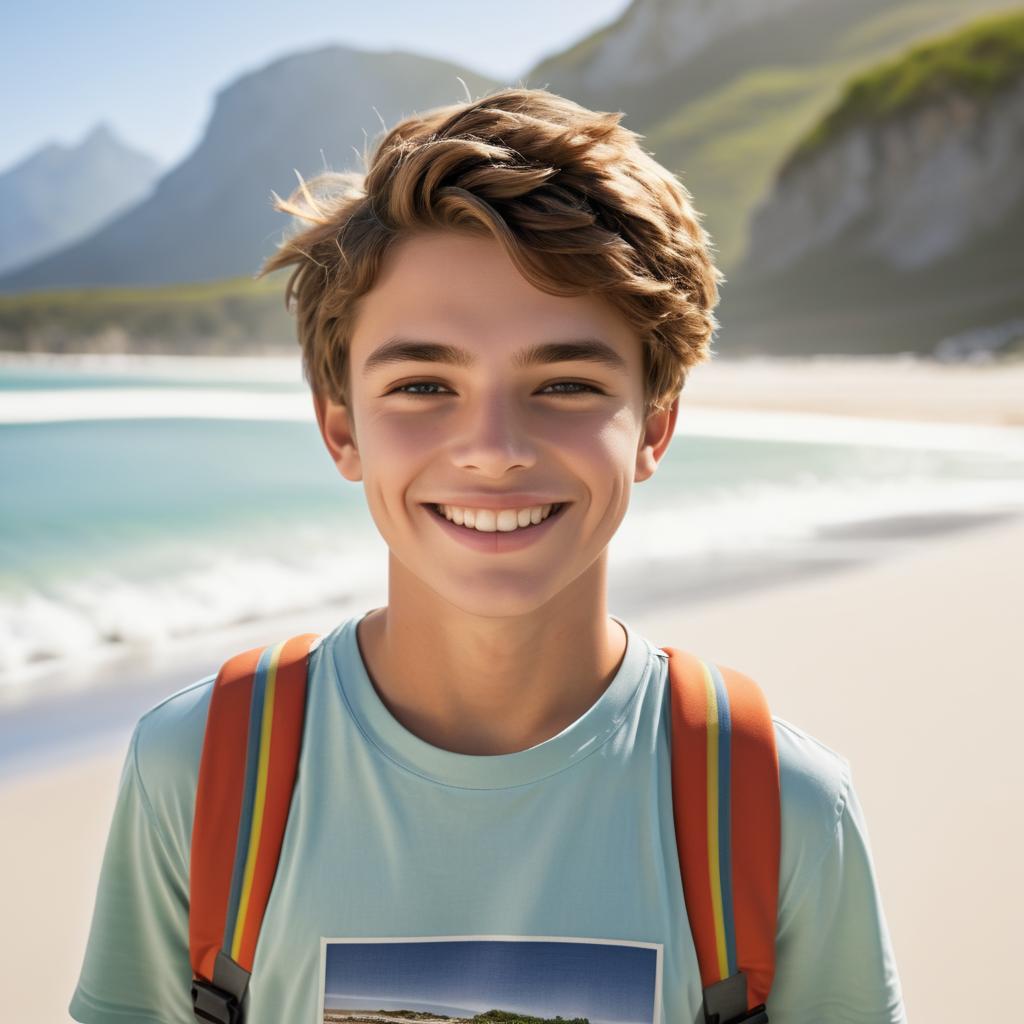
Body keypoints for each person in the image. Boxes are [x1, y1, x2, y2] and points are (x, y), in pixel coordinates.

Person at [69, 87, 906, 1024]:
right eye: (425, 383)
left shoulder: (779, 806)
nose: (495, 445)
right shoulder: (202, 769)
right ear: (340, 427)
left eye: (566, 383)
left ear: (653, 428)